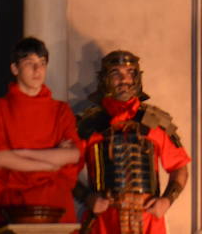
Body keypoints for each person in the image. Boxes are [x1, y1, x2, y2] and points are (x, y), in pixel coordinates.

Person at [77, 50, 190, 234]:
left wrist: (167, 200)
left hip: (147, 218)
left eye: (130, 73)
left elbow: (180, 167)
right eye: (116, 73)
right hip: (105, 219)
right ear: (105, 78)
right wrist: (87, 198)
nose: (124, 80)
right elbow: (64, 170)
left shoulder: (155, 121)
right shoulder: (88, 124)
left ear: (137, 78)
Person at [0, 36, 82, 226]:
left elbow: (72, 155)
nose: (38, 70)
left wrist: (22, 154)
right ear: (15, 68)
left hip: (56, 202)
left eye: (42, 63)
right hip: (17, 204)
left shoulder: (61, 110)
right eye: (30, 63)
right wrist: (50, 164)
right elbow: (0, 158)